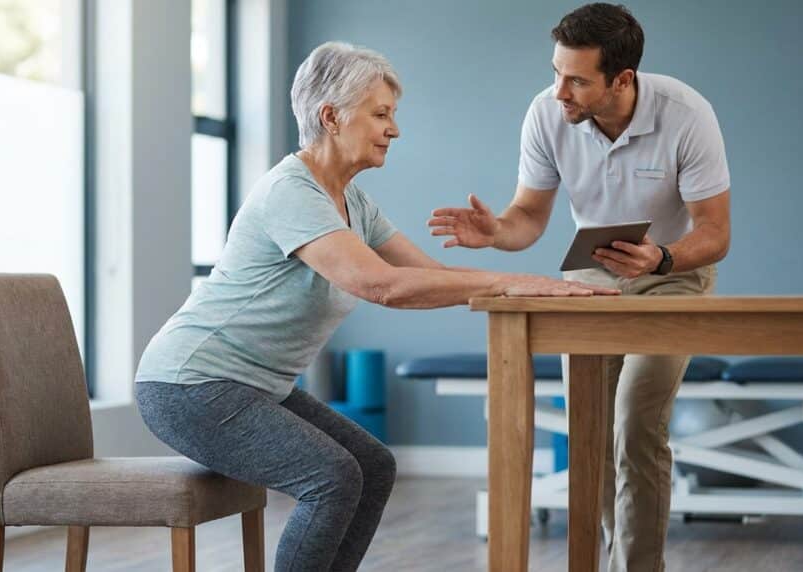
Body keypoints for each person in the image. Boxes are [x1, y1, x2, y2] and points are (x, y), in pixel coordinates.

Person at [135, 41, 617, 572]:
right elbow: (381, 286)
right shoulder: (290, 192)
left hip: (255, 387)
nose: (394, 129)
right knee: (332, 477)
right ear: (331, 117)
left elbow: (425, 275)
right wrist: (507, 282)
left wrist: (530, 286)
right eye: (381, 114)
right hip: (191, 385)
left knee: (372, 466)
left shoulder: (351, 199)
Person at [428, 4, 731, 571]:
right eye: (555, 72)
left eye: (576, 79)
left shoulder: (687, 114)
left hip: (673, 276)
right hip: (590, 276)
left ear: (622, 79)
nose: (558, 90)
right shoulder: (547, 113)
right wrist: (495, 232)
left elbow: (714, 233)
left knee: (636, 421)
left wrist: (663, 256)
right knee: (590, 429)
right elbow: (528, 217)